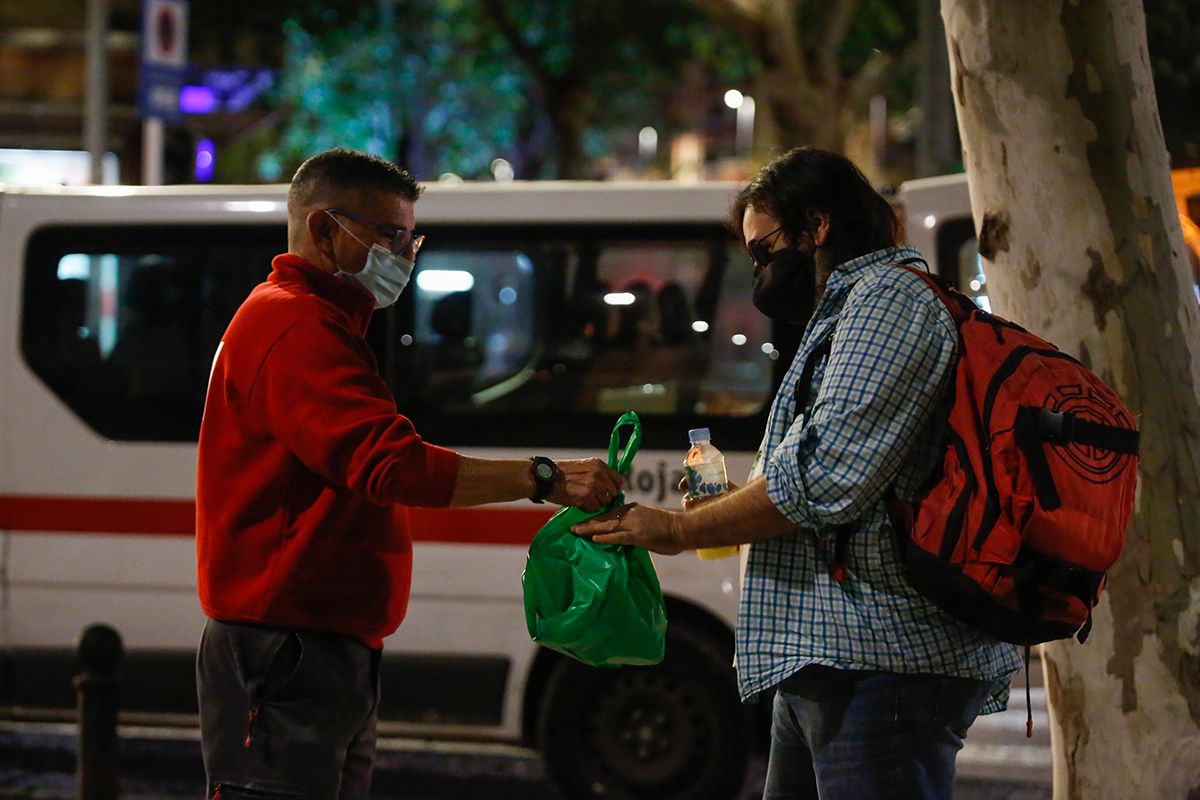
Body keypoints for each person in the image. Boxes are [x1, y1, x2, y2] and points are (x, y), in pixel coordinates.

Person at [573, 147, 1021, 800]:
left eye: (765, 250)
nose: (759, 270)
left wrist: (676, 529)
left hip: (881, 662)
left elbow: (822, 481)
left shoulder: (887, 304)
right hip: (832, 657)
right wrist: (734, 504)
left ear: (817, 227)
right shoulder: (846, 310)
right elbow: (827, 472)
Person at [195, 147, 622, 800]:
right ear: (324, 230)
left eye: (410, 238)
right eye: (389, 236)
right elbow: (391, 464)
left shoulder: (322, 320)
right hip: (286, 650)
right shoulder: (294, 325)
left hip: (321, 646)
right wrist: (544, 478)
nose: (406, 255)